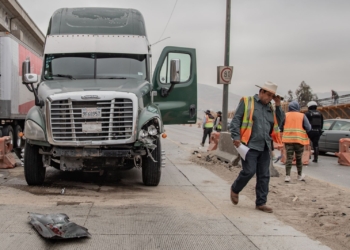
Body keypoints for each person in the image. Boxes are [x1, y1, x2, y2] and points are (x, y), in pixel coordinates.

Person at [230, 81, 285, 213]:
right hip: (249, 145)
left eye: (272, 96)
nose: (270, 98)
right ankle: (235, 189)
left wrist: (278, 105)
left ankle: (261, 203)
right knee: (249, 171)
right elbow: (236, 119)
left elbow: (279, 121)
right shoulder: (247, 101)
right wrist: (236, 137)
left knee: (264, 175)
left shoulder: (271, 107)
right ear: (261, 92)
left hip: (265, 145)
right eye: (269, 95)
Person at [281, 101, 311, 182]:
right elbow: (308, 128)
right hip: (299, 140)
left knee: (289, 158)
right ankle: (299, 175)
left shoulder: (285, 115)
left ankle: (287, 176)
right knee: (299, 158)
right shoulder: (302, 116)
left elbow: (281, 127)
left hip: (288, 140)